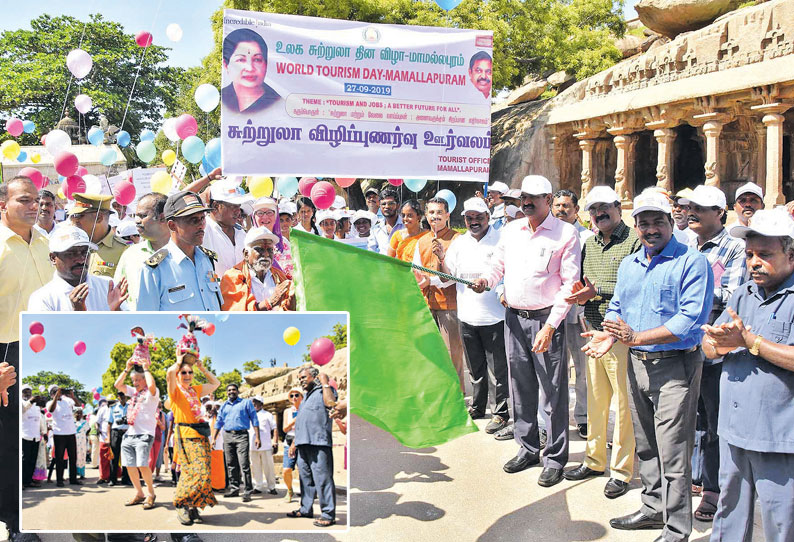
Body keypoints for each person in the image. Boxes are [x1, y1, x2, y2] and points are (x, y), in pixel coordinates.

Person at [582, 189, 713, 542]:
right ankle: (653, 508)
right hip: (636, 364)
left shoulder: (691, 262)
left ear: (672, 222)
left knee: (674, 451)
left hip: (674, 367)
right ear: (635, 226)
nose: (650, 229)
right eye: (643, 223)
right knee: (647, 444)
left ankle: (677, 528)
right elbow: (617, 306)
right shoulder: (631, 263)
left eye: (658, 221)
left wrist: (635, 337)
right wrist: (609, 334)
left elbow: (689, 321)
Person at [472, 175, 580, 487]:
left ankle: (555, 458)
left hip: (547, 321)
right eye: (523, 198)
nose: (527, 203)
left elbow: (570, 285)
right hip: (514, 319)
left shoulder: (566, 233)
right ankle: (528, 448)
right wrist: (485, 281)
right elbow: (497, 269)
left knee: (553, 392)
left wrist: (550, 326)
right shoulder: (511, 230)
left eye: (533, 197)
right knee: (521, 388)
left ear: (548, 198)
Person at [702, 209, 794, 542]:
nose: (754, 262)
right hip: (733, 429)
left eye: (765, 255)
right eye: (750, 254)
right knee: (729, 514)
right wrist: (719, 344)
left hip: (778, 436)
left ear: (791, 254)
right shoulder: (743, 294)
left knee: (780, 521)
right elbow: (709, 346)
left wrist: (750, 342)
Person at [563, 186, 640, 499]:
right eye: (593, 209)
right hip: (592, 329)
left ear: (617, 206)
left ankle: (621, 471)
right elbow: (584, 280)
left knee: (623, 407)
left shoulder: (634, 240)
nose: (599, 214)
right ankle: (594, 461)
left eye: (604, 207)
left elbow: (634, 284)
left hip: (621, 334)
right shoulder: (590, 243)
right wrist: (582, 293)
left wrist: (598, 291)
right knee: (595, 402)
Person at [679, 184, 747, 521]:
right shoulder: (682, 243)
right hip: (682, 345)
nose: (692, 212)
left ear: (720, 213)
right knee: (692, 417)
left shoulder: (734, 248)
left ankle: (713, 489)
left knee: (715, 419)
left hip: (713, 347)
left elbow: (730, 297)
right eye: (691, 207)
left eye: (701, 208)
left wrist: (691, 292)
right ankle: (695, 475)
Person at [0, 176, 50, 541]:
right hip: (6, 353)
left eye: (36, 200)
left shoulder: (47, 242)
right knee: (8, 442)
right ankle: (14, 524)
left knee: (27, 438)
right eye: (24, 200)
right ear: (3, 205)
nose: (34, 205)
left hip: (42, 347)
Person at [436, 197, 510, 433]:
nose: (474, 221)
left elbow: (508, 274)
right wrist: (440, 259)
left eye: (479, 217)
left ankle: (500, 413)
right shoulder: (459, 243)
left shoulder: (501, 240)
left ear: (488, 217)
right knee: (474, 367)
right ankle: (478, 407)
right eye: (469, 218)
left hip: (495, 317)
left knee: (497, 370)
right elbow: (447, 278)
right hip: (467, 315)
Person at [136, 191, 223, 311]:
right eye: (193, 220)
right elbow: (147, 319)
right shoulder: (153, 270)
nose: (201, 225)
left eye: (202, 218)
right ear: (172, 225)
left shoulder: (207, 259)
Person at [552, 189, 594, 439]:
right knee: (555, 369)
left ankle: (583, 416)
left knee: (582, 368)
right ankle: (556, 416)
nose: (561, 210)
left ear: (576, 210)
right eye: (557, 205)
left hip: (578, 313)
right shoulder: (548, 235)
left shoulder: (587, 237)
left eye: (566, 206)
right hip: (550, 313)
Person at [413, 197, 465, 390]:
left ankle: (457, 398)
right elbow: (416, 269)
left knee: (452, 356)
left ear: (447, 215)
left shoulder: (457, 239)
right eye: (431, 213)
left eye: (439, 213)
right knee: (430, 356)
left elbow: (455, 275)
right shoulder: (422, 241)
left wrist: (431, 280)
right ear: (426, 215)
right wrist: (421, 280)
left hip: (449, 306)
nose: (435, 217)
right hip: (427, 304)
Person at [166, 342, 220, 526]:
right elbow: (168, 374)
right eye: (184, 372)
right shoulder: (174, 392)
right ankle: (182, 504)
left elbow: (216, 383)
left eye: (190, 372)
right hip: (185, 434)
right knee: (192, 472)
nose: (188, 375)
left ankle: (194, 505)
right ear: (178, 374)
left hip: (201, 433)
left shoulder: (195, 390)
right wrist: (178, 361)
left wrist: (202, 368)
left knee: (204, 472)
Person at [28, 226, 129, 311]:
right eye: (71, 254)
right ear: (53, 258)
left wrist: (116, 311)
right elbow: (47, 334)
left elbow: (130, 328)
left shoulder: (108, 286)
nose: (81, 260)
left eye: (85, 253)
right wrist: (78, 314)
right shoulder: (42, 298)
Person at [287, 367, 338, 528]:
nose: (301, 380)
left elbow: (331, 403)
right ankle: (306, 509)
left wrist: (324, 383)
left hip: (318, 442)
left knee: (323, 479)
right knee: (305, 480)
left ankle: (328, 514)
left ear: (314, 377)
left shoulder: (325, 390)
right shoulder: (305, 398)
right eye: (299, 378)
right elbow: (301, 422)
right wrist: (294, 443)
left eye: (304, 377)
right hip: (302, 444)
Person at [115, 359, 160, 510]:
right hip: (130, 434)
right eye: (133, 380)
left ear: (144, 379)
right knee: (129, 465)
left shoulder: (152, 393)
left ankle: (151, 494)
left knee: (142, 464)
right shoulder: (133, 393)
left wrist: (146, 369)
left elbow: (152, 386)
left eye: (137, 380)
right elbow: (118, 385)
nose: (134, 383)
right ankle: (139, 493)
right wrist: (127, 368)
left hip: (144, 434)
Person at [114, 193, 170, 309]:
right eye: (135, 215)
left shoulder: (186, 253)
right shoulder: (130, 255)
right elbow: (118, 295)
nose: (137, 221)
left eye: (143, 216)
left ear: (163, 217)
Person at [220, 226, 294, 311]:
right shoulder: (232, 277)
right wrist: (269, 302)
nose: (266, 254)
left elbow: (287, 310)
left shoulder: (278, 275)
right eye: (259, 249)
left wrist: (292, 298)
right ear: (246, 254)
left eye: (270, 250)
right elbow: (237, 315)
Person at [210, 383, 260, 503]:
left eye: (233, 390)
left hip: (241, 435)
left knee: (244, 463)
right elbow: (219, 422)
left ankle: (248, 490)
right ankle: (234, 489)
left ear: (237, 391)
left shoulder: (246, 403)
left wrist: (257, 437)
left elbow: (254, 419)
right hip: (227, 435)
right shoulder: (223, 406)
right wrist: (214, 438)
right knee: (231, 463)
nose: (231, 392)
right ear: (227, 392)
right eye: (229, 390)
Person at [68, 193, 129, 278]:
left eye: (79, 216)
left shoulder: (124, 250)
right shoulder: (71, 246)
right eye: (72, 216)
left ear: (99, 217)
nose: (74, 220)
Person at [221, 28, 281, 113]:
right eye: (241, 60)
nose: (250, 68)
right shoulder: (222, 98)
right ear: (226, 65)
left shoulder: (278, 104)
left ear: (266, 64)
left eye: (257, 60)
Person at [202, 179, 249, 277]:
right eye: (232, 206)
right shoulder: (203, 231)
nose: (238, 211)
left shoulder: (241, 233)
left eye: (238, 206)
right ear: (215, 206)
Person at [46, 385, 83, 487]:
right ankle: (59, 480)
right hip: (59, 434)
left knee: (73, 457)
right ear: (51, 394)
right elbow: (51, 410)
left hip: (71, 433)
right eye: (55, 391)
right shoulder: (51, 402)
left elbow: (78, 405)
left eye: (59, 391)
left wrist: (72, 396)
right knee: (59, 458)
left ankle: (73, 479)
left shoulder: (68, 400)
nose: (59, 393)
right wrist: (56, 398)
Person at [249, 396, 279, 495]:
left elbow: (274, 429)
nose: (254, 404)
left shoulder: (267, 415)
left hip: (265, 445)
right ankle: (258, 486)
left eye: (256, 402)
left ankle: (271, 487)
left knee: (268, 467)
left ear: (261, 404)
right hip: (252, 446)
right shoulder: (248, 415)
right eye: (253, 402)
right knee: (255, 467)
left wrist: (275, 442)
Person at [282, 387, 303, 502]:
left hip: (302, 441)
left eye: (297, 395)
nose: (294, 397)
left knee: (303, 470)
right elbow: (285, 428)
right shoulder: (287, 411)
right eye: (292, 396)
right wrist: (295, 420)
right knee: (286, 470)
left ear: (302, 397)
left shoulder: (305, 409)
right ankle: (290, 490)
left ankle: (306, 492)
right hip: (289, 440)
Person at [21, 385, 44, 488]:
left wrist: (42, 432)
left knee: (32, 460)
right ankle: (21, 482)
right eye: (25, 391)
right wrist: (30, 401)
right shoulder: (21, 403)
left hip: (35, 436)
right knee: (24, 460)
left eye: (29, 391)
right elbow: (23, 410)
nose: (27, 393)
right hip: (25, 436)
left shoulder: (35, 406)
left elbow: (39, 419)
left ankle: (28, 480)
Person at [108, 392, 131, 486]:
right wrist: (108, 438)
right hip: (116, 432)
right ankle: (112, 479)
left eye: (123, 395)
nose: (121, 397)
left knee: (127, 457)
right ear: (118, 397)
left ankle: (126, 479)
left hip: (128, 432)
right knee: (114, 457)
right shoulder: (113, 407)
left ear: (126, 396)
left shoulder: (131, 407)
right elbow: (109, 423)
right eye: (120, 395)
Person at [371, 188, 403, 253]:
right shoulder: (376, 229)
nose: (387, 206)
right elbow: (371, 252)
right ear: (380, 206)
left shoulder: (406, 226)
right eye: (383, 204)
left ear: (398, 205)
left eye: (391, 203)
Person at [75, 409, 89, 479]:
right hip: (74, 440)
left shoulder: (85, 422)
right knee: (74, 456)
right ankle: (73, 473)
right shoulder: (72, 422)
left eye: (81, 413)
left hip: (82, 440)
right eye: (78, 413)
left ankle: (81, 474)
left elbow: (87, 430)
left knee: (82, 455)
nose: (79, 415)